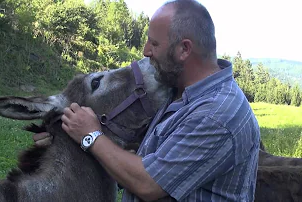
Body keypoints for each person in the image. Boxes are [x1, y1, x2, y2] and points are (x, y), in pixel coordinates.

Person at [34, 0, 261, 201]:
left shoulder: (217, 114)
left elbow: (148, 184)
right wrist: (68, 140)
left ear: (184, 49)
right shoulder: (180, 93)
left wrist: (90, 135)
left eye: (154, 43)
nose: (145, 51)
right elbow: (155, 156)